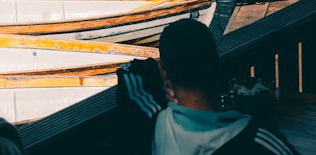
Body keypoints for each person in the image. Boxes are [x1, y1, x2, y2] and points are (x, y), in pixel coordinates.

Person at [117, 17, 297, 153]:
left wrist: (167, 79)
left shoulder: (158, 121)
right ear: (217, 66)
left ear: (164, 72)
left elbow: (130, 71)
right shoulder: (256, 137)